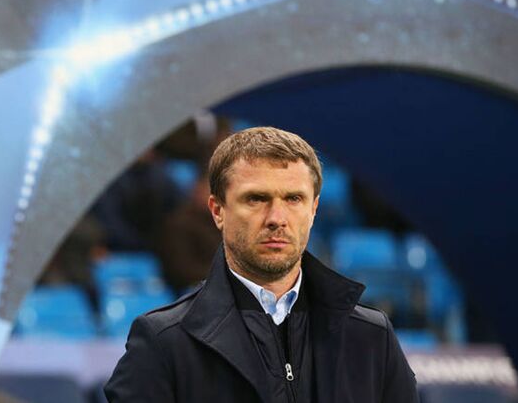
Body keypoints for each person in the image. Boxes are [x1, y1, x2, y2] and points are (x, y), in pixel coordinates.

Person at [104, 127, 418, 402]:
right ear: (218, 211)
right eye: (256, 199)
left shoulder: (372, 337)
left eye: (293, 199)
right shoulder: (164, 343)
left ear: (314, 210)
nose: (277, 219)